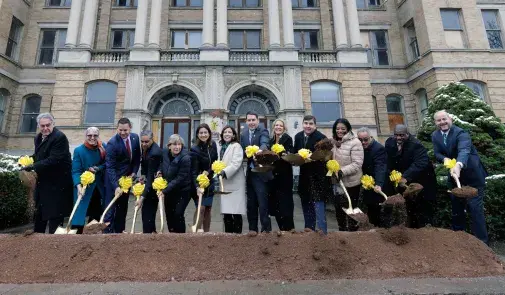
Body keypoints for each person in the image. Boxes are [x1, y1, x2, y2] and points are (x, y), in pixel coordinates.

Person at [432, 110, 489, 244]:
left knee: (475, 210)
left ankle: (482, 244)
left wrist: (458, 165)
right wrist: (446, 160)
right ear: (435, 122)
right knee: (456, 209)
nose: (442, 122)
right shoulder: (435, 135)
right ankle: (459, 241)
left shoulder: (461, 133)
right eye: (439, 120)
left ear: (450, 119)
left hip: (472, 176)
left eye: (444, 119)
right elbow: (437, 153)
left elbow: (464, 150)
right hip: (454, 178)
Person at [21, 113, 73, 234]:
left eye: (48, 125)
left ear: (53, 124)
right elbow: (39, 156)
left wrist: (33, 166)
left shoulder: (59, 137)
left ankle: (53, 244)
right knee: (40, 213)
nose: (45, 128)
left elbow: (54, 159)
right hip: (44, 182)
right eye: (42, 126)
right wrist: (26, 161)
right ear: (39, 126)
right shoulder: (38, 137)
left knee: (55, 216)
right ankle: (38, 241)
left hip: (58, 184)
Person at [385, 124, 437, 229]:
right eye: (396, 135)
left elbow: (420, 163)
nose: (399, 138)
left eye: (402, 135)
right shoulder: (389, 143)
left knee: (423, 207)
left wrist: (405, 177)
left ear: (407, 134)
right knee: (408, 207)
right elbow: (389, 160)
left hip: (422, 179)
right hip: (403, 180)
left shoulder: (416, 144)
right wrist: (392, 173)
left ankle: (426, 230)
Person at [293, 115, 330, 234]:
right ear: (302, 124)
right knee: (306, 205)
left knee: (318, 207)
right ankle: (309, 230)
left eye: (310, 124)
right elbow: (295, 153)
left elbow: (326, 157)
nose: (308, 126)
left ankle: (322, 232)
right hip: (304, 177)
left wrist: (313, 158)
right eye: (306, 123)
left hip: (318, 177)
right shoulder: (298, 136)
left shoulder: (321, 138)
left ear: (315, 125)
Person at [104, 118, 141, 233]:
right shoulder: (112, 143)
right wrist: (116, 186)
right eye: (120, 130)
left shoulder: (135, 138)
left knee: (122, 208)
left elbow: (136, 158)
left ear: (130, 128)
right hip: (113, 180)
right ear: (117, 128)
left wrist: (134, 172)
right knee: (110, 208)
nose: (123, 133)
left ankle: (119, 232)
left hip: (127, 180)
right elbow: (110, 167)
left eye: (125, 130)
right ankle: (107, 233)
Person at [239, 111, 272, 235]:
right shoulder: (244, 134)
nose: (251, 122)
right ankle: (252, 230)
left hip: (261, 173)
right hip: (250, 173)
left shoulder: (263, 131)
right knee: (251, 204)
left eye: (253, 120)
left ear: (258, 121)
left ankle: (266, 230)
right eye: (249, 120)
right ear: (246, 121)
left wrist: (260, 151)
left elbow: (264, 143)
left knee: (263, 204)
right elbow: (242, 151)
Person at [70, 127, 106, 234]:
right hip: (83, 187)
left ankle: (91, 236)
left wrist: (98, 168)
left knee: (95, 214)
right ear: (86, 136)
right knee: (79, 214)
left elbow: (106, 163)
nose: (92, 138)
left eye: (95, 135)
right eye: (89, 135)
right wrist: (79, 186)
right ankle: (76, 235)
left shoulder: (102, 148)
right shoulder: (79, 151)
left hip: (97, 188)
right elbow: (75, 171)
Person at [331, 119, 364, 232]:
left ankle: (353, 233)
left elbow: (357, 163)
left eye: (343, 129)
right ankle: (342, 231)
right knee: (339, 209)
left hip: (352, 183)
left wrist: (342, 171)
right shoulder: (334, 142)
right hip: (338, 183)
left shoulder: (355, 142)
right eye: (337, 128)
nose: (340, 131)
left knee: (351, 210)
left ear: (348, 129)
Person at [356, 127, 389, 228]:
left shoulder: (378, 148)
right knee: (370, 208)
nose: (363, 142)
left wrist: (379, 184)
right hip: (368, 184)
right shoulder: (359, 148)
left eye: (365, 139)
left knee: (378, 210)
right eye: (360, 140)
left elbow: (380, 167)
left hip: (379, 184)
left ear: (371, 137)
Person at [160, 134, 192, 233]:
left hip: (183, 190)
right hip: (170, 191)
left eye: (179, 144)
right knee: (169, 214)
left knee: (178, 213)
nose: (177, 147)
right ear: (169, 146)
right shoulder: (164, 153)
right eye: (174, 144)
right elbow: (161, 164)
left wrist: (164, 190)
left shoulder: (185, 158)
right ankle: (172, 236)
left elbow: (180, 178)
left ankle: (181, 237)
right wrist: (159, 172)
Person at [217, 126, 246, 234]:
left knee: (236, 211)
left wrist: (224, 172)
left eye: (230, 132)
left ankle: (238, 236)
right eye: (225, 132)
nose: (227, 134)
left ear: (234, 135)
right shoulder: (221, 147)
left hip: (235, 183)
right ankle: (228, 237)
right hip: (225, 182)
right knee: (227, 212)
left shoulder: (236, 146)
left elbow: (236, 163)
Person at [190, 123, 218, 232]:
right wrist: (197, 186)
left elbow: (215, 162)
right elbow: (193, 171)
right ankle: (196, 231)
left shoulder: (213, 145)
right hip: (199, 183)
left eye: (205, 132)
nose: (203, 135)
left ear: (209, 134)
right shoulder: (194, 149)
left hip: (210, 182)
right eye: (201, 133)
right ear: (197, 135)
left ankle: (207, 233)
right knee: (200, 208)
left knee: (208, 209)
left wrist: (209, 172)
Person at [268, 119, 295, 231]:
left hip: (285, 175)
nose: (278, 127)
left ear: (284, 128)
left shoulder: (287, 138)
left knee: (286, 202)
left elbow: (290, 153)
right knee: (276, 203)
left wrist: (284, 154)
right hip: (273, 176)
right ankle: (281, 228)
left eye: (280, 125)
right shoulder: (271, 140)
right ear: (273, 127)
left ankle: (290, 227)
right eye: (276, 125)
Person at [136, 130, 162, 233]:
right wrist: (142, 175)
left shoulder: (154, 153)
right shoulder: (145, 148)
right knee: (147, 214)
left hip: (154, 186)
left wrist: (142, 197)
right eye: (142, 141)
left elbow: (151, 175)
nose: (143, 144)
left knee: (148, 213)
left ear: (152, 139)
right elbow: (143, 164)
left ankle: (149, 234)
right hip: (149, 183)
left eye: (146, 142)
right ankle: (151, 233)